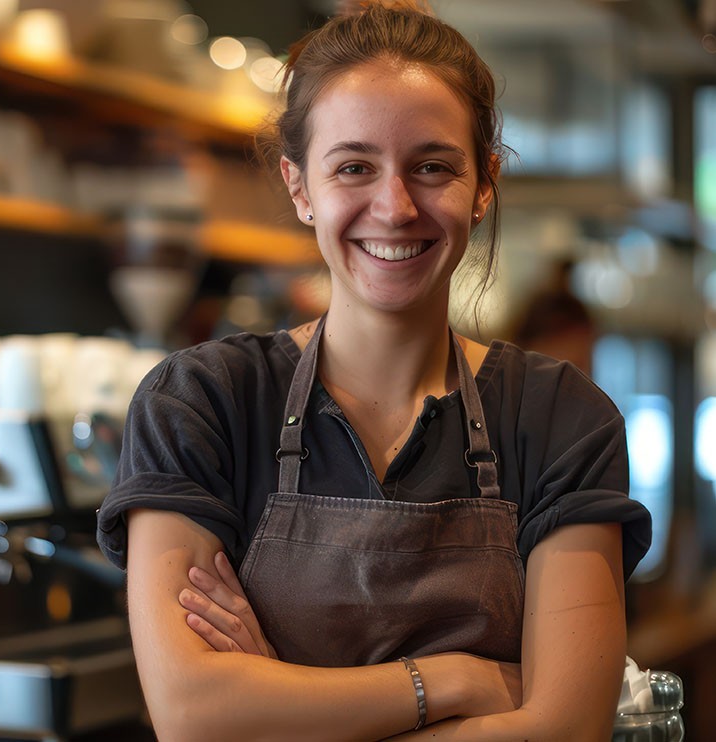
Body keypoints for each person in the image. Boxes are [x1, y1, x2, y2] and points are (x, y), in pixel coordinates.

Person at [96, 1, 652, 739]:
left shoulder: (558, 418)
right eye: (354, 166)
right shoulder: (202, 402)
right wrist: (457, 681)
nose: (393, 207)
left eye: (432, 166)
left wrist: (282, 703)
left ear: (483, 184)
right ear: (300, 187)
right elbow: (194, 715)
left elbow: (567, 729)